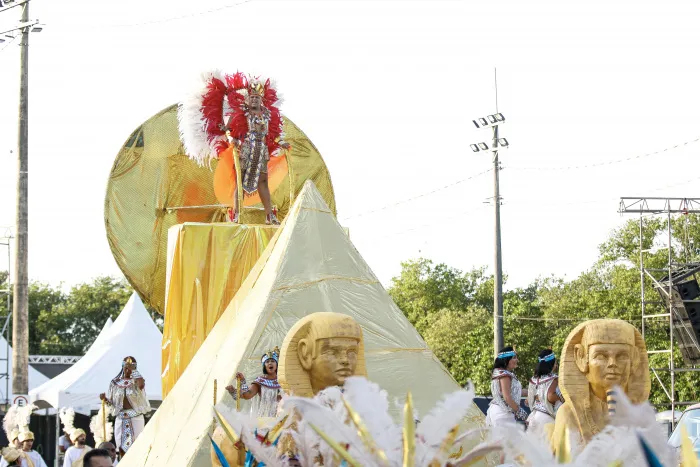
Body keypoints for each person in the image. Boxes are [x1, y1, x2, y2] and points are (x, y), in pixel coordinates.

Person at [179, 71, 289, 225]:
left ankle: (269, 215)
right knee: (240, 181)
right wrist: (231, 137)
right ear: (248, 99)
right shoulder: (241, 112)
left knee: (263, 182)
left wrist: (281, 142)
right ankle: (237, 214)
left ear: (261, 100)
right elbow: (230, 128)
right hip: (246, 149)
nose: (255, 100)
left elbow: (272, 134)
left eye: (257, 98)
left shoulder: (267, 114)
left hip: (261, 150)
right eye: (252, 98)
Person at [100, 356, 151, 456]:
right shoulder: (115, 383)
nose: (128, 369)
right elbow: (113, 404)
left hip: (136, 418)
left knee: (137, 447)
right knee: (121, 449)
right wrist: (105, 400)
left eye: (131, 367)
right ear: (122, 367)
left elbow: (141, 385)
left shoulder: (137, 380)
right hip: (121, 419)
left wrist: (134, 370)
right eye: (126, 367)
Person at [226, 347, 282, 418]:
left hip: (283, 418)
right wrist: (242, 382)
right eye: (267, 362)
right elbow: (248, 395)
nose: (270, 363)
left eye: (272, 361)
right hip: (265, 419)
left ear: (277, 364)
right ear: (264, 366)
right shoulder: (260, 381)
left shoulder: (284, 381)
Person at [486, 346, 528, 427]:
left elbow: (512, 392)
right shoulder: (504, 375)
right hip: (502, 414)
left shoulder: (502, 373)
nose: (517, 360)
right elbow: (507, 397)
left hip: (499, 412)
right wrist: (523, 414)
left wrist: (529, 392)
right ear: (506, 360)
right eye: (514, 358)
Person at [526, 349, 564, 438]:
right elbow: (550, 396)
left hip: (534, 417)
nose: (556, 364)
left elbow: (530, 398)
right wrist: (562, 399)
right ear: (552, 364)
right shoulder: (553, 379)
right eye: (555, 362)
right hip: (546, 418)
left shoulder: (534, 379)